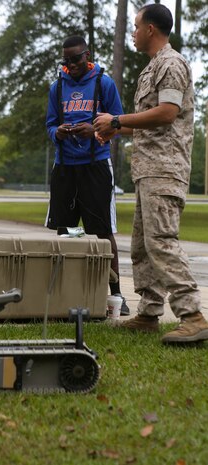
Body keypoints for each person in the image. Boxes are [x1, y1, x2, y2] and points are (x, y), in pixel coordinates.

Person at [93, 4, 208, 343]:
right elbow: (151, 123)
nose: (133, 31)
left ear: (151, 30)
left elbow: (167, 113)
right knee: (142, 246)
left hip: (165, 169)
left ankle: (193, 316)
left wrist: (117, 120)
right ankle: (149, 313)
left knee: (161, 242)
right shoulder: (152, 69)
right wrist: (120, 130)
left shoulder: (171, 65)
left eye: (137, 25)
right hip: (148, 170)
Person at [46, 35, 129, 315]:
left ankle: (116, 294)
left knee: (103, 232)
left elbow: (118, 124)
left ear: (87, 55)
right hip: (65, 167)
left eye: (76, 59)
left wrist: (92, 132)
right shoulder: (57, 87)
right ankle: (63, 295)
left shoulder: (103, 83)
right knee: (65, 230)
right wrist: (57, 132)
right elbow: (49, 124)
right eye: (66, 61)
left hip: (96, 166)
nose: (72, 65)